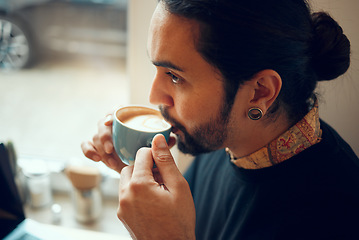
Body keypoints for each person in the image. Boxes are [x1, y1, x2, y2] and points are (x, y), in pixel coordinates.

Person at [81, 0, 359, 239]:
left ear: (260, 92)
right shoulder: (223, 141)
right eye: (158, 68)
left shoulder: (337, 212)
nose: (154, 97)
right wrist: (137, 173)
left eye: (175, 76)